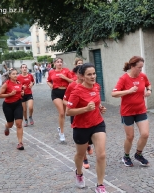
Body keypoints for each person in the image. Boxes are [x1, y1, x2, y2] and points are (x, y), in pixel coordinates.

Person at [66, 63, 107, 192]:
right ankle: (79, 173)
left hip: (97, 123)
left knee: (101, 155)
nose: (93, 76)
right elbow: (68, 111)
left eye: (94, 73)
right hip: (81, 127)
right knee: (80, 154)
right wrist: (85, 109)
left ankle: (100, 185)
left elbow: (96, 100)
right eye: (89, 74)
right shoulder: (77, 91)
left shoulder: (96, 87)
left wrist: (99, 107)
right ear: (82, 76)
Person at [111, 56, 151, 167]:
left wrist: (149, 90)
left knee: (145, 134)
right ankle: (126, 156)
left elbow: (148, 84)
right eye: (139, 67)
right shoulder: (124, 79)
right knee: (130, 137)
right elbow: (113, 94)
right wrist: (128, 91)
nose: (141, 70)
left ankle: (138, 154)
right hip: (127, 112)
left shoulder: (142, 76)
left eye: (142, 67)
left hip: (140, 110)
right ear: (132, 66)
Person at [63, 65, 93, 169]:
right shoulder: (72, 86)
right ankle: (84, 158)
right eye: (79, 74)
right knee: (81, 138)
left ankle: (88, 144)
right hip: (76, 114)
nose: (80, 76)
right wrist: (73, 105)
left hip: (90, 115)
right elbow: (65, 100)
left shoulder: (91, 85)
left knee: (90, 136)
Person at [0, 68, 25, 150]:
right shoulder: (6, 84)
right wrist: (9, 94)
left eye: (16, 74)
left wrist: (22, 93)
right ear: (9, 75)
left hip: (18, 105)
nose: (15, 75)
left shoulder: (19, 83)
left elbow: (20, 93)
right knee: (10, 124)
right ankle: (6, 126)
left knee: (19, 124)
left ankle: (20, 143)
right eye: (13, 74)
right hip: (8, 105)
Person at [47, 57, 73, 142]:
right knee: (61, 112)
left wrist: (65, 78)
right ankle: (62, 133)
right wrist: (50, 85)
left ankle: (60, 127)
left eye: (61, 62)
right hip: (56, 93)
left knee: (63, 114)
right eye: (57, 62)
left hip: (65, 92)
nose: (59, 63)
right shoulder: (51, 72)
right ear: (54, 63)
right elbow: (48, 80)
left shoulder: (66, 71)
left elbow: (72, 81)